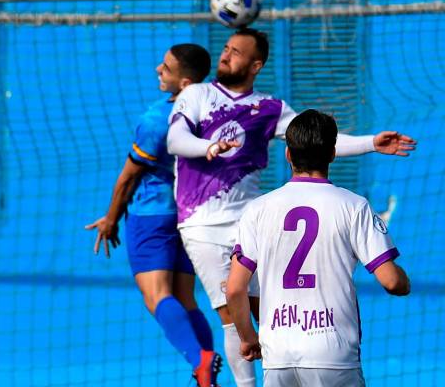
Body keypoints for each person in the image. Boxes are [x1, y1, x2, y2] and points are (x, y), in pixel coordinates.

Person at [166, 28, 415, 387]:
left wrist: (369, 143)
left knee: (262, 305)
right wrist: (206, 147)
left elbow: (313, 141)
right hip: (200, 221)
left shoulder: (271, 108)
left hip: (245, 218)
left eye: (236, 51)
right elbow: (175, 139)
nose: (225, 55)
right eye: (225, 48)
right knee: (227, 308)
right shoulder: (196, 94)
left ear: (256, 65)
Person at [226, 109, 410, 386]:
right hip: (333, 354)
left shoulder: (257, 209)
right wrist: (404, 281)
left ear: (288, 154)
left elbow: (235, 289)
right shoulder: (353, 205)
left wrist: (247, 337)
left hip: (278, 354)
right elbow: (392, 282)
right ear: (333, 154)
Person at [86, 44, 221, 386]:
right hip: (192, 214)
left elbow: (129, 176)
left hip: (153, 216)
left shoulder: (157, 121)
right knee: (186, 297)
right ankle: (207, 378)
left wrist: (111, 217)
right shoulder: (215, 113)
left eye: (166, 67)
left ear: (185, 82)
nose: (157, 70)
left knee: (157, 296)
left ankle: (200, 359)